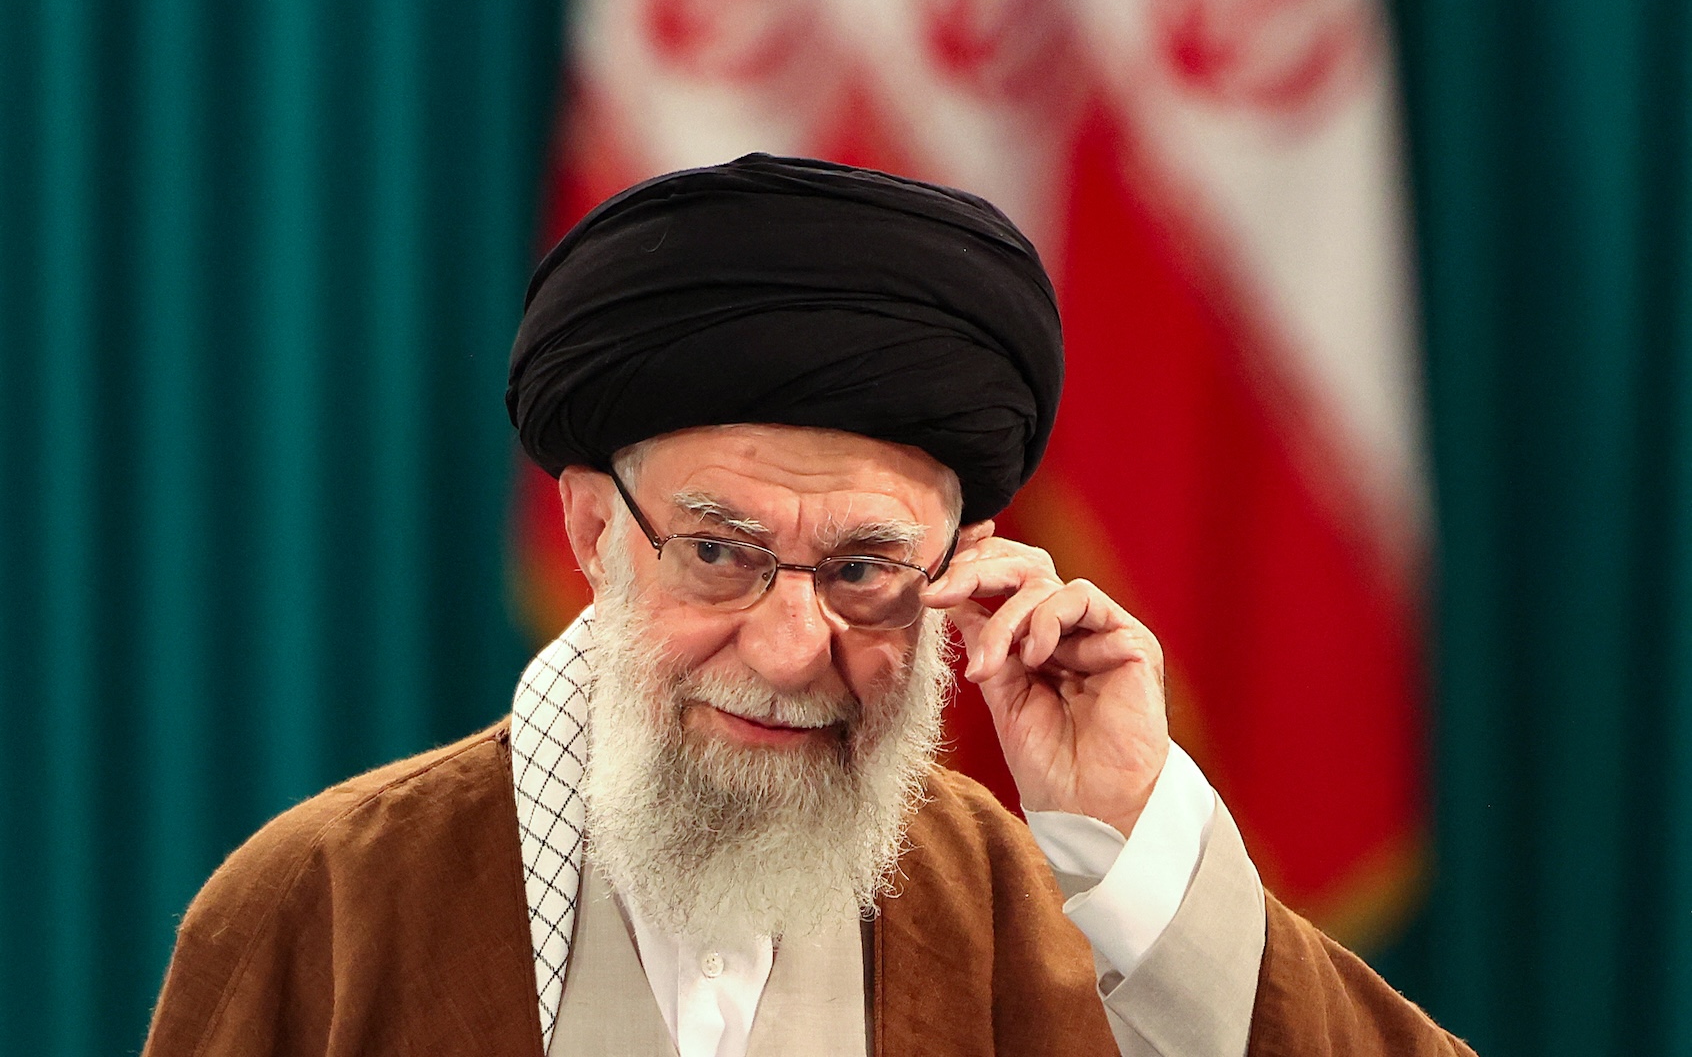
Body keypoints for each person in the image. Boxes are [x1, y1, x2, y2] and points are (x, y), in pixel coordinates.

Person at [142, 155, 1472, 1056]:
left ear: (965, 567)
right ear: (596, 528)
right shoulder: (317, 909)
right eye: (720, 553)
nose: (792, 649)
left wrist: (1132, 831)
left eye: (860, 573)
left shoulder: (1035, 916)